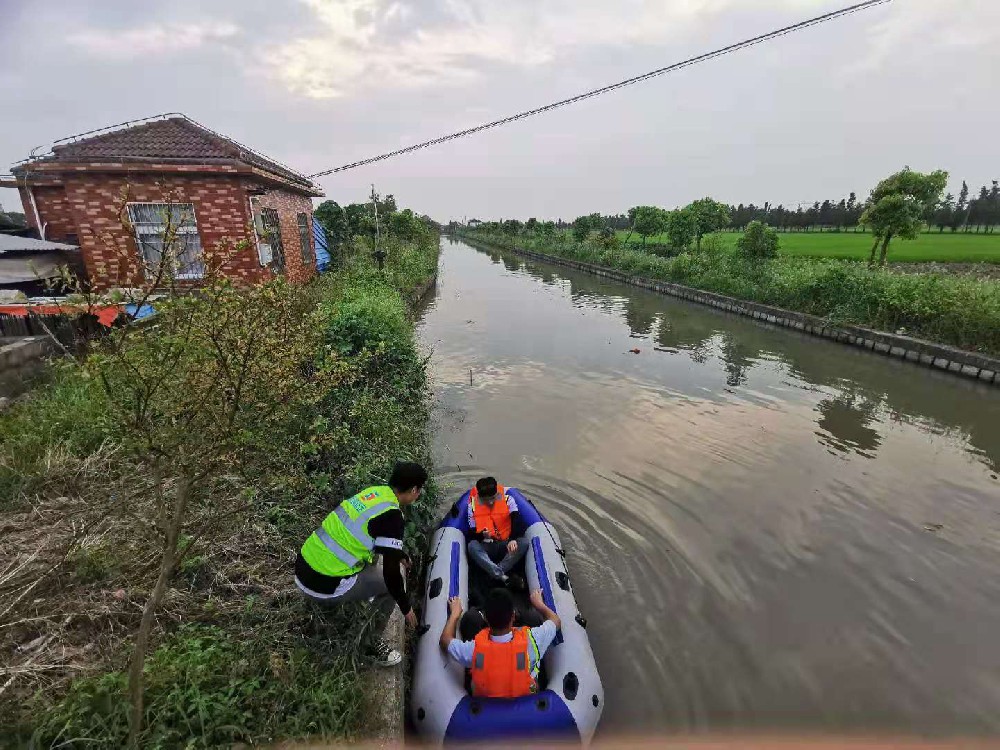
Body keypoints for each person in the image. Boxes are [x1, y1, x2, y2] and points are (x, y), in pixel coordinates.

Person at [295, 461, 427, 667]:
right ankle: (369, 644)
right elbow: (391, 576)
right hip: (323, 585)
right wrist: (406, 607)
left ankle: (342, 604)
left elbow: (366, 531)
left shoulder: (373, 493)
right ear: (413, 490)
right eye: (419, 491)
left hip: (303, 569)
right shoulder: (393, 517)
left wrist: (397, 553)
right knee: (392, 586)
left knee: (372, 562)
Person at [440, 587, 561, 698]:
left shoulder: (473, 650)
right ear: (513, 616)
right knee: (533, 617)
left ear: (485, 618)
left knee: (471, 617)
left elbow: (445, 640)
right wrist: (539, 604)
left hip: (485, 706)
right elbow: (556, 621)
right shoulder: (535, 638)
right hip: (526, 702)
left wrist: (454, 615)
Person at [466, 476, 528, 588]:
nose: (490, 502)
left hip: (506, 544)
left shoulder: (508, 500)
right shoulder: (472, 507)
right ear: (480, 496)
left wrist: (513, 539)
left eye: (493, 498)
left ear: (497, 494)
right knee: (472, 546)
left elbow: (518, 523)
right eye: (486, 499)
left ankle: (493, 573)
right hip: (487, 545)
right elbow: (471, 534)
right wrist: (481, 535)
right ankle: (502, 577)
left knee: (523, 542)